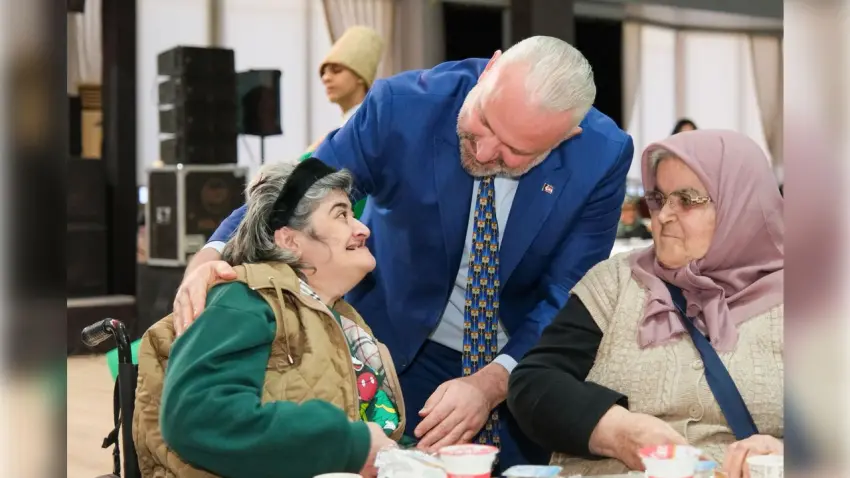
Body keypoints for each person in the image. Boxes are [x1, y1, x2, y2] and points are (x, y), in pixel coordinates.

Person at [172, 36, 634, 470]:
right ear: (489, 69)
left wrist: (493, 382)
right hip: (398, 346)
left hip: (517, 359)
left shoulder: (601, 155)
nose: (486, 149)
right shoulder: (403, 107)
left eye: (516, 151)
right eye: (486, 122)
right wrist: (214, 254)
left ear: (565, 137)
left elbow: (567, 293)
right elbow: (299, 188)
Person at [507, 130, 783, 477]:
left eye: (686, 199)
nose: (664, 215)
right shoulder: (617, 282)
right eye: (658, 198)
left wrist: (784, 452)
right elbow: (534, 381)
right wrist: (616, 431)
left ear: (740, 205)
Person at [132, 160, 403, 478]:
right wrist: (349, 446)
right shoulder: (245, 297)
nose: (362, 228)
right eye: (342, 214)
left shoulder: (343, 317)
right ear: (289, 240)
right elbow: (196, 416)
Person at [302, 25, 384, 218]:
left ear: (359, 76)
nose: (326, 78)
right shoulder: (341, 130)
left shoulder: (371, 129)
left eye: (336, 70)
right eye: (324, 72)